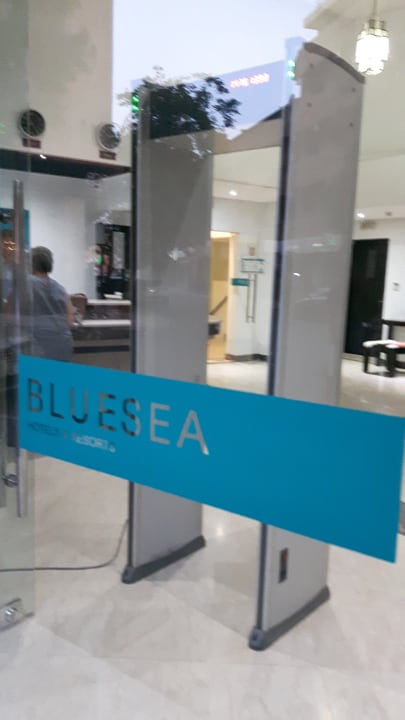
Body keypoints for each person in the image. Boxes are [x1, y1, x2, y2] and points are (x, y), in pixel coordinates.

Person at [29, 246, 74, 361]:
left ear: (32, 264)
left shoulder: (28, 284)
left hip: (39, 347)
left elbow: (8, 311)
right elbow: (70, 320)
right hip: (62, 346)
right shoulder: (60, 288)